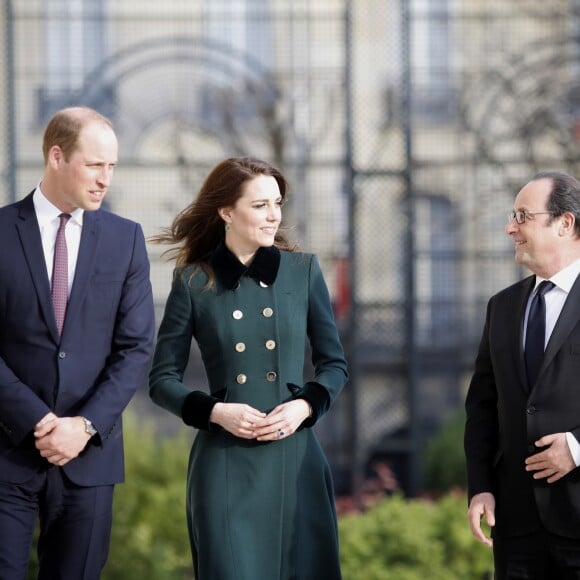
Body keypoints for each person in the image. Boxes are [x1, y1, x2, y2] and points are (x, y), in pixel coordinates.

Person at [149, 156, 348, 580]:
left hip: (295, 457)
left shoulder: (303, 272)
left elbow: (334, 365)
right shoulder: (192, 282)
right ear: (226, 211)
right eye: (260, 205)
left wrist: (303, 407)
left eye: (277, 203)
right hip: (225, 461)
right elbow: (162, 380)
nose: (274, 214)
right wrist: (216, 413)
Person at [0, 106, 155, 579]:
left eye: (112, 167)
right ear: (56, 156)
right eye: (94, 165)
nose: (104, 179)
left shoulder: (125, 239)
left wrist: (82, 426)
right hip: (5, 452)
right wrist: (40, 421)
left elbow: (136, 348)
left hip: (90, 458)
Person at [465, 170, 580, 578]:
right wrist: (480, 486)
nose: (509, 228)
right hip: (515, 528)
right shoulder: (503, 307)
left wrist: (577, 447)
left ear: (565, 223)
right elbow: (481, 406)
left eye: (522, 216)